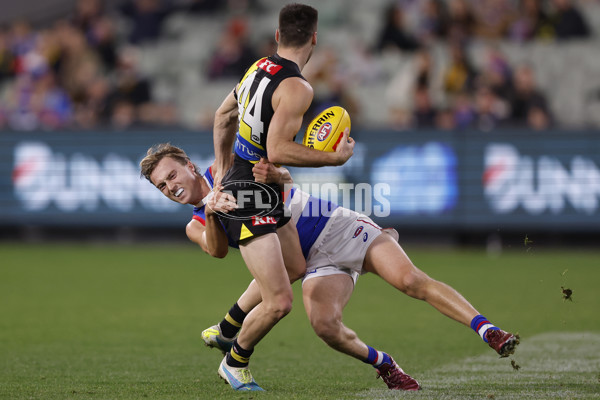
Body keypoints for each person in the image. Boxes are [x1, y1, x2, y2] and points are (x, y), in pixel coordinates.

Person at [140, 143, 519, 392]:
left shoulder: (226, 171)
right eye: (161, 186)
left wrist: (279, 177)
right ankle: (385, 364)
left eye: (172, 175)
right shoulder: (195, 224)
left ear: (190, 166)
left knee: (410, 280)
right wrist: (209, 209)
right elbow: (217, 251)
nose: (170, 186)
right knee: (325, 326)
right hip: (312, 262)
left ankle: (488, 330)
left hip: (335, 226)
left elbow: (283, 180)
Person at [210, 3, 354, 391]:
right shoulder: (297, 88)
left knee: (294, 266)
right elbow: (276, 149)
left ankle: (226, 327)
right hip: (250, 190)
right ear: (314, 39)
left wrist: (222, 167)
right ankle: (235, 361)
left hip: (253, 181)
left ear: (277, 36)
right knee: (280, 302)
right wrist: (332, 158)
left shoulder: (257, 68)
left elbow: (223, 116)